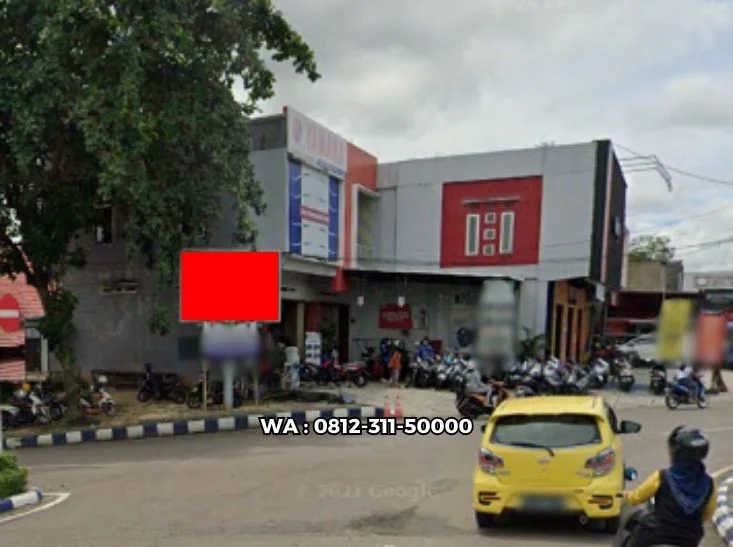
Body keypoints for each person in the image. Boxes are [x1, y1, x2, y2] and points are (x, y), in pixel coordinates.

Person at [624, 426, 716, 547]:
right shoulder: (709, 483)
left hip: (656, 535)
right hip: (690, 540)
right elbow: (707, 514)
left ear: (675, 452)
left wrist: (625, 495)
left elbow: (636, 498)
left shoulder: (662, 476)